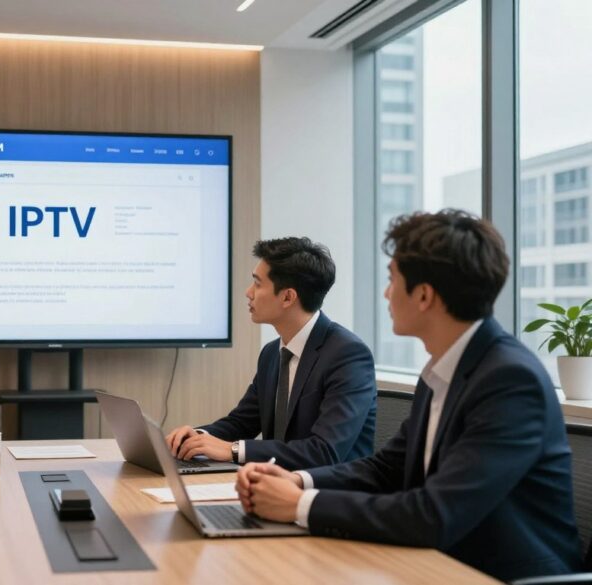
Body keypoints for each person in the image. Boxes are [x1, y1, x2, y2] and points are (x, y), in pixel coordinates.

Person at [237, 210, 583, 582]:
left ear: (423, 295)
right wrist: (299, 481)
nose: (386, 293)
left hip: (499, 575)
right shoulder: (445, 369)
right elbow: (385, 468)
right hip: (440, 562)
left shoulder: (509, 380)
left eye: (392, 280)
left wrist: (300, 505)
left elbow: (435, 514)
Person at [165, 237, 376, 469]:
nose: (248, 292)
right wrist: (196, 437)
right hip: (275, 487)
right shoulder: (272, 353)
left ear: (288, 297)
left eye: (257, 283)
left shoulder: (347, 355)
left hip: (329, 496)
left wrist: (233, 450)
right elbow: (241, 422)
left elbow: (324, 451)